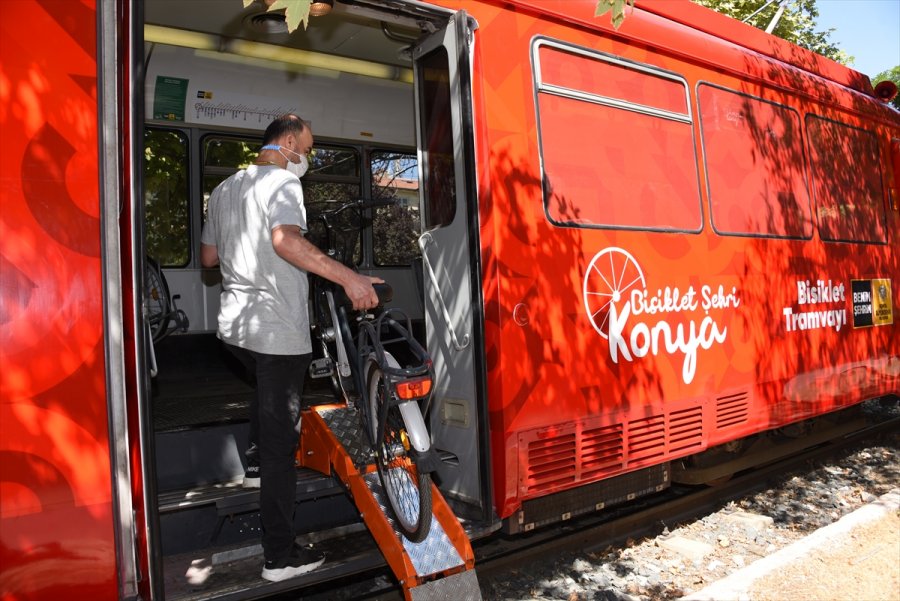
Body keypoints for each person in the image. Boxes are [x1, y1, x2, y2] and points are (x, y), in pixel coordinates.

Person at [200, 114, 382, 582]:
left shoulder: (224, 189)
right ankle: (279, 557)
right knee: (285, 442)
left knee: (262, 396)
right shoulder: (282, 182)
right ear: (285, 143)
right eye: (306, 148)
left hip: (234, 330)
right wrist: (349, 278)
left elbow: (208, 257)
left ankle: (254, 464)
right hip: (277, 331)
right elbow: (285, 242)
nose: (307, 158)